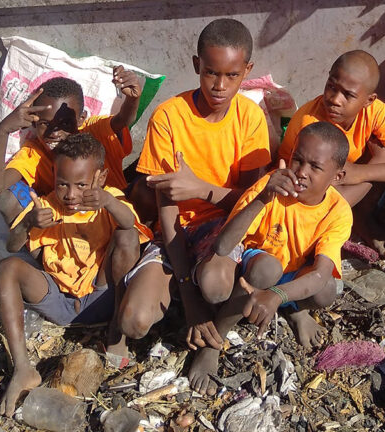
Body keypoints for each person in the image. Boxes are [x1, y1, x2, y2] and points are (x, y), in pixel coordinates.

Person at [114, 19, 270, 363]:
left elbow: (250, 203)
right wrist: (190, 299)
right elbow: (167, 216)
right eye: (211, 73)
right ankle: (182, 294)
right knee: (133, 322)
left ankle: (208, 297)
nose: (219, 86)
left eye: (232, 75)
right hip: (173, 233)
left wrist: (201, 189)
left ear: (247, 70)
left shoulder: (250, 118)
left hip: (222, 228)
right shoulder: (170, 117)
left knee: (215, 284)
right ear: (197, 65)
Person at [188, 121, 351, 395]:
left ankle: (293, 307)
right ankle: (217, 335)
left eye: (315, 167)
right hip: (254, 263)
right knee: (267, 269)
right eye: (297, 160)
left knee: (326, 292)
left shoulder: (338, 211)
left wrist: (276, 295)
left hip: (290, 272)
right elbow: (224, 245)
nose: (301, 172)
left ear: (337, 176)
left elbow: (321, 273)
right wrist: (263, 198)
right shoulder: (272, 185)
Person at [0, 133, 150, 417]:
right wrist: (29, 222)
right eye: (62, 183)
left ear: (100, 178)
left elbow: (129, 222)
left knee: (127, 236)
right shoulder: (46, 205)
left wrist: (107, 201)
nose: (70, 194)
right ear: (53, 176)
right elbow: (11, 246)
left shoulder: (109, 199)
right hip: (59, 300)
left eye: (81, 184)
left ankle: (116, 332)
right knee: (6, 267)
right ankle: (23, 367)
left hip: (102, 296)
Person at [277, 50, 385, 257]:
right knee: (382, 157)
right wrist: (372, 165)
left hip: (343, 179)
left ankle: (361, 217)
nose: (335, 99)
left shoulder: (375, 112)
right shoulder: (311, 123)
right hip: (304, 194)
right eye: (331, 87)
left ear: (368, 100)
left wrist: (360, 172)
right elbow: (307, 190)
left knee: (382, 157)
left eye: (348, 95)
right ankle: (355, 220)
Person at [0, 68, 141, 224]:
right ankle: (36, 247)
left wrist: (133, 99)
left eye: (65, 123)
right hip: (67, 229)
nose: (54, 133)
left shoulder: (93, 130)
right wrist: (4, 129)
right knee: (8, 200)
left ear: (81, 119)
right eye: (45, 124)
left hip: (113, 219)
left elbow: (123, 120)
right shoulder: (34, 154)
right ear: (34, 122)